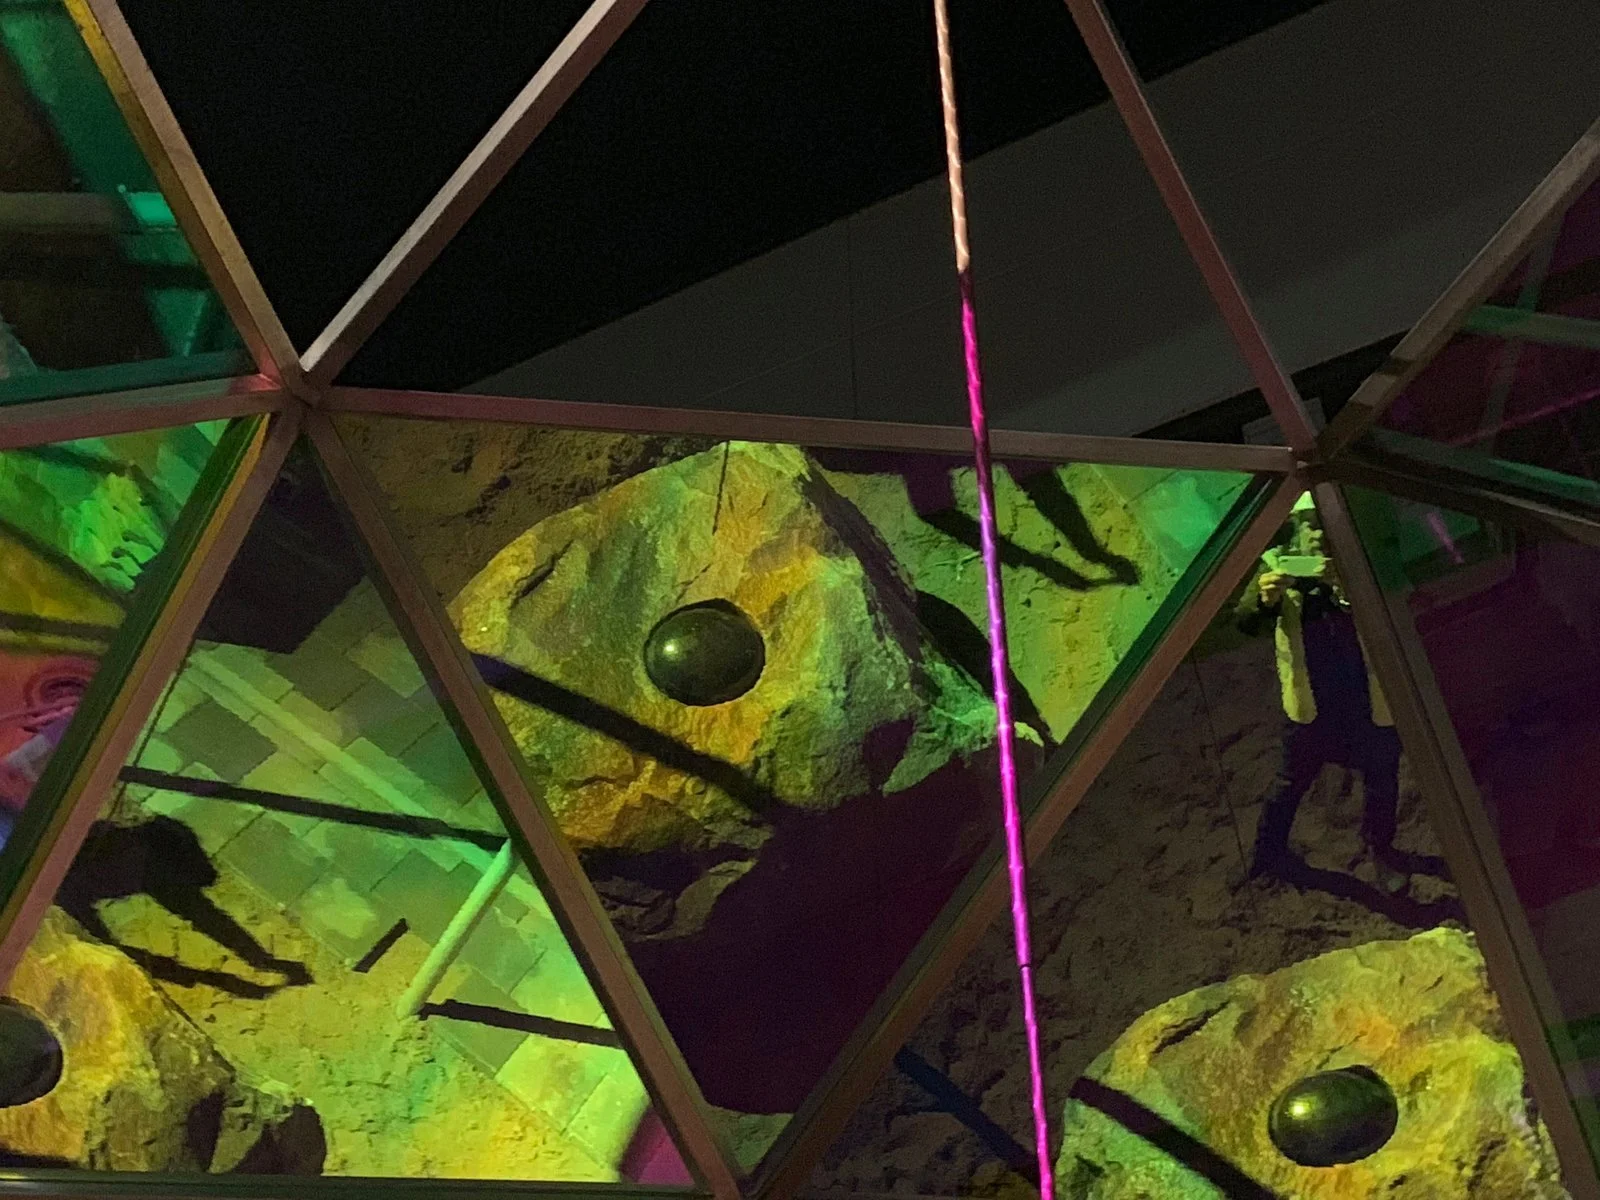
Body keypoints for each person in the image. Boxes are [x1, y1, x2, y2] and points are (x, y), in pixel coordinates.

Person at [1235, 492, 1409, 893]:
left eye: (1323, 522)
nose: (1316, 532)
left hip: (1368, 699)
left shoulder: (1361, 559)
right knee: (1288, 784)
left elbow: (1399, 597)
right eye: (1308, 523)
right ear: (1296, 529)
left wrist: (1347, 586)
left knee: (1382, 779)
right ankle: (1267, 853)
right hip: (1310, 707)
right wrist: (1265, 598)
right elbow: (1243, 620)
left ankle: (1380, 851)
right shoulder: (1276, 564)